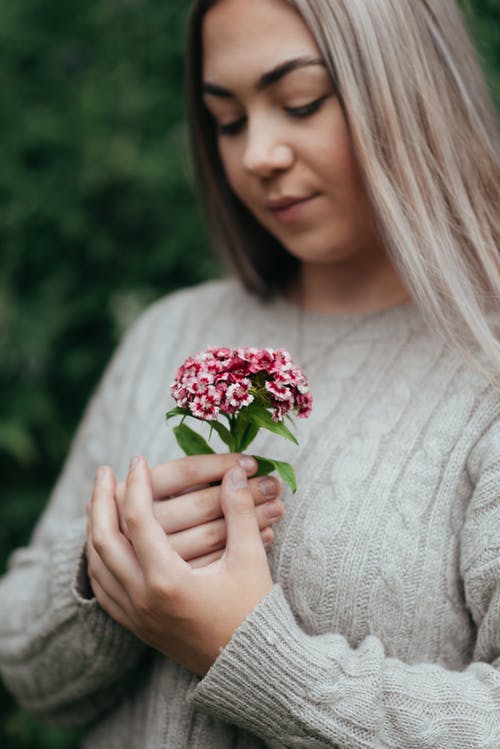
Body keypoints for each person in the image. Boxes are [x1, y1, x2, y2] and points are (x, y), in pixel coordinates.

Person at [1, 0, 499, 746]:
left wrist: (257, 659)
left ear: (408, 91)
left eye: (300, 103)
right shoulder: (171, 333)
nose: (256, 153)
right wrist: (105, 572)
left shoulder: (483, 376)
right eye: (227, 121)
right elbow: (24, 664)